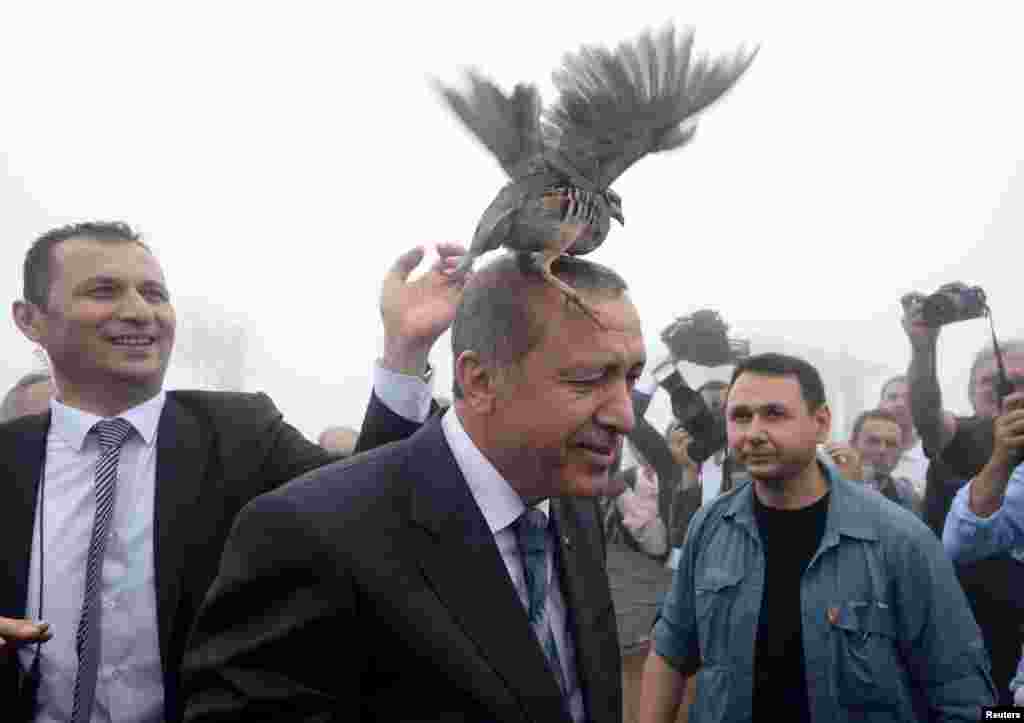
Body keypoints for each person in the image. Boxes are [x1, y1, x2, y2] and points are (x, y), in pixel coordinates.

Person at [0, 221, 466, 723]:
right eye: (103, 291)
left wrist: (404, 353)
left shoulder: (242, 435)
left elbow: (371, 507)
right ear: (31, 320)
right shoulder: (7, 460)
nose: (138, 311)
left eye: (154, 293)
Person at [182, 253, 641, 722]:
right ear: (480, 381)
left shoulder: (574, 513)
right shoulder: (311, 533)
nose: (625, 414)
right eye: (588, 379)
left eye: (632, 377)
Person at [639, 352, 995, 723]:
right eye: (740, 416)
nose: (754, 432)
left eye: (774, 414)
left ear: (821, 422)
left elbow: (960, 691)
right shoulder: (709, 527)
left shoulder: (901, 541)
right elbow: (670, 649)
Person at [903, 300, 1024, 705]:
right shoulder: (962, 433)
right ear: (972, 390)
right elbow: (925, 415)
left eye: (1020, 381)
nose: (1007, 388)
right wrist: (924, 347)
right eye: (993, 380)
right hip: (960, 625)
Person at [848, 408, 922, 514]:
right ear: (852, 445)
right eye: (873, 441)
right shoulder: (831, 489)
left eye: (891, 444)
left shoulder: (908, 497)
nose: (882, 450)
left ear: (900, 452)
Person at [877, 375, 928, 495]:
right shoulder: (862, 452)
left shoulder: (932, 457)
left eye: (908, 398)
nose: (900, 404)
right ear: (880, 405)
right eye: (892, 397)